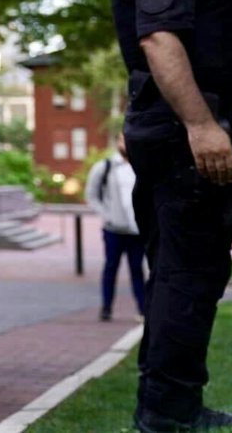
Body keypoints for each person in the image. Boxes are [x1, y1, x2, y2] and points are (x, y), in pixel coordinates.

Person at [110, 0, 232, 433]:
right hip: (191, 141)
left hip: (177, 136)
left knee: (185, 272)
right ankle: (165, 414)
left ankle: (174, 407)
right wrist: (202, 126)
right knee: (188, 272)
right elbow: (160, 41)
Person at [85, 134, 145, 323]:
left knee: (138, 270)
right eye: (122, 140)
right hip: (113, 230)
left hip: (137, 230)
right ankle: (106, 308)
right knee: (111, 268)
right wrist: (107, 215)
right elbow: (92, 195)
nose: (125, 144)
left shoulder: (142, 166)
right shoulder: (105, 167)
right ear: (117, 143)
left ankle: (143, 309)